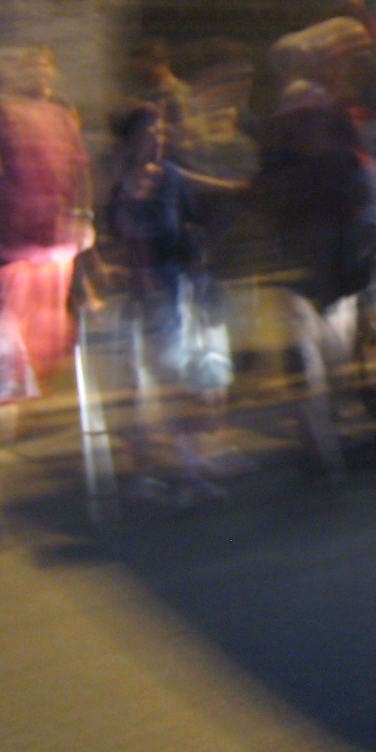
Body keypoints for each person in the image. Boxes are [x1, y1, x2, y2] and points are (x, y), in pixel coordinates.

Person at [254, 17, 376, 483]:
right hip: (302, 275)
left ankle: (327, 444)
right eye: (300, 119)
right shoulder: (281, 160)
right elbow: (265, 205)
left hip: (335, 274)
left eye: (314, 118)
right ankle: (323, 456)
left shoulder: (340, 154)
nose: (308, 126)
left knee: (332, 365)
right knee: (309, 368)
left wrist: (367, 248)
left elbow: (364, 202)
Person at [106, 103, 235, 504]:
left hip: (178, 297)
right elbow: (115, 241)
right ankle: (158, 473)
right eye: (151, 132)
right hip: (143, 304)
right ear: (131, 140)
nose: (159, 139)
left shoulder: (171, 178)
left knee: (188, 385)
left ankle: (191, 468)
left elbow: (192, 224)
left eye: (161, 132)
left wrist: (197, 265)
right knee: (150, 389)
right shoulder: (119, 189)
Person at [0, 47, 92, 405]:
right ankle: (20, 391)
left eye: (45, 69)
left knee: (43, 321)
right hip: (16, 242)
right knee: (17, 321)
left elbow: (79, 170)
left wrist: (82, 216)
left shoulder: (58, 115)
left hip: (50, 240)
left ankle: (31, 392)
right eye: (33, 69)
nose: (42, 76)